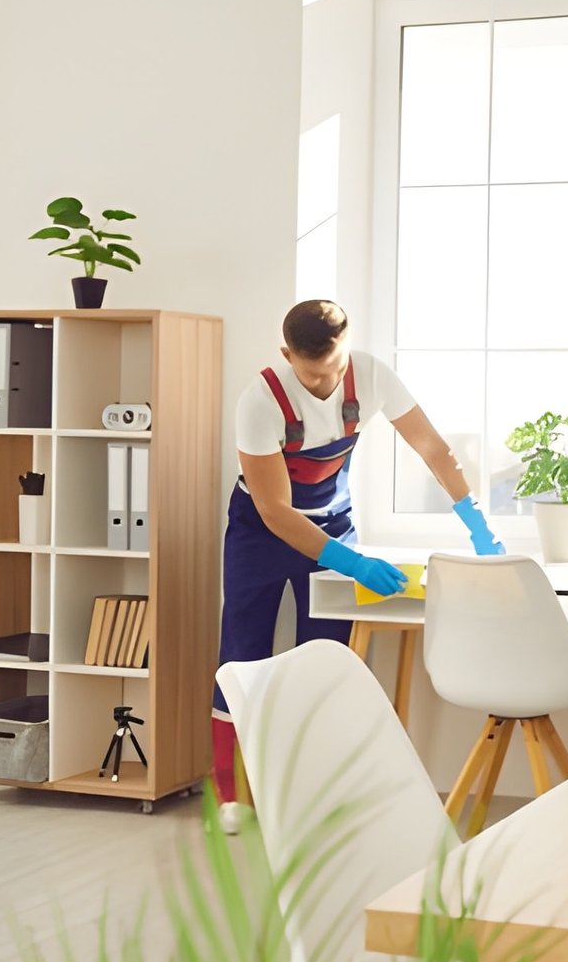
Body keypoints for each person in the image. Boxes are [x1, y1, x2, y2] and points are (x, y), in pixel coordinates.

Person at [212, 299, 503, 830]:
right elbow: (275, 511)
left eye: (338, 366)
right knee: (242, 652)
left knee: (327, 660)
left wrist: (476, 520)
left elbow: (434, 450)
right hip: (262, 531)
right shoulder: (260, 401)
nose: (329, 381)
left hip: (334, 520)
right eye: (316, 373)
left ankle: (320, 794)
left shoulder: (370, 375)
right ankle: (234, 796)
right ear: (287, 355)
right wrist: (352, 563)